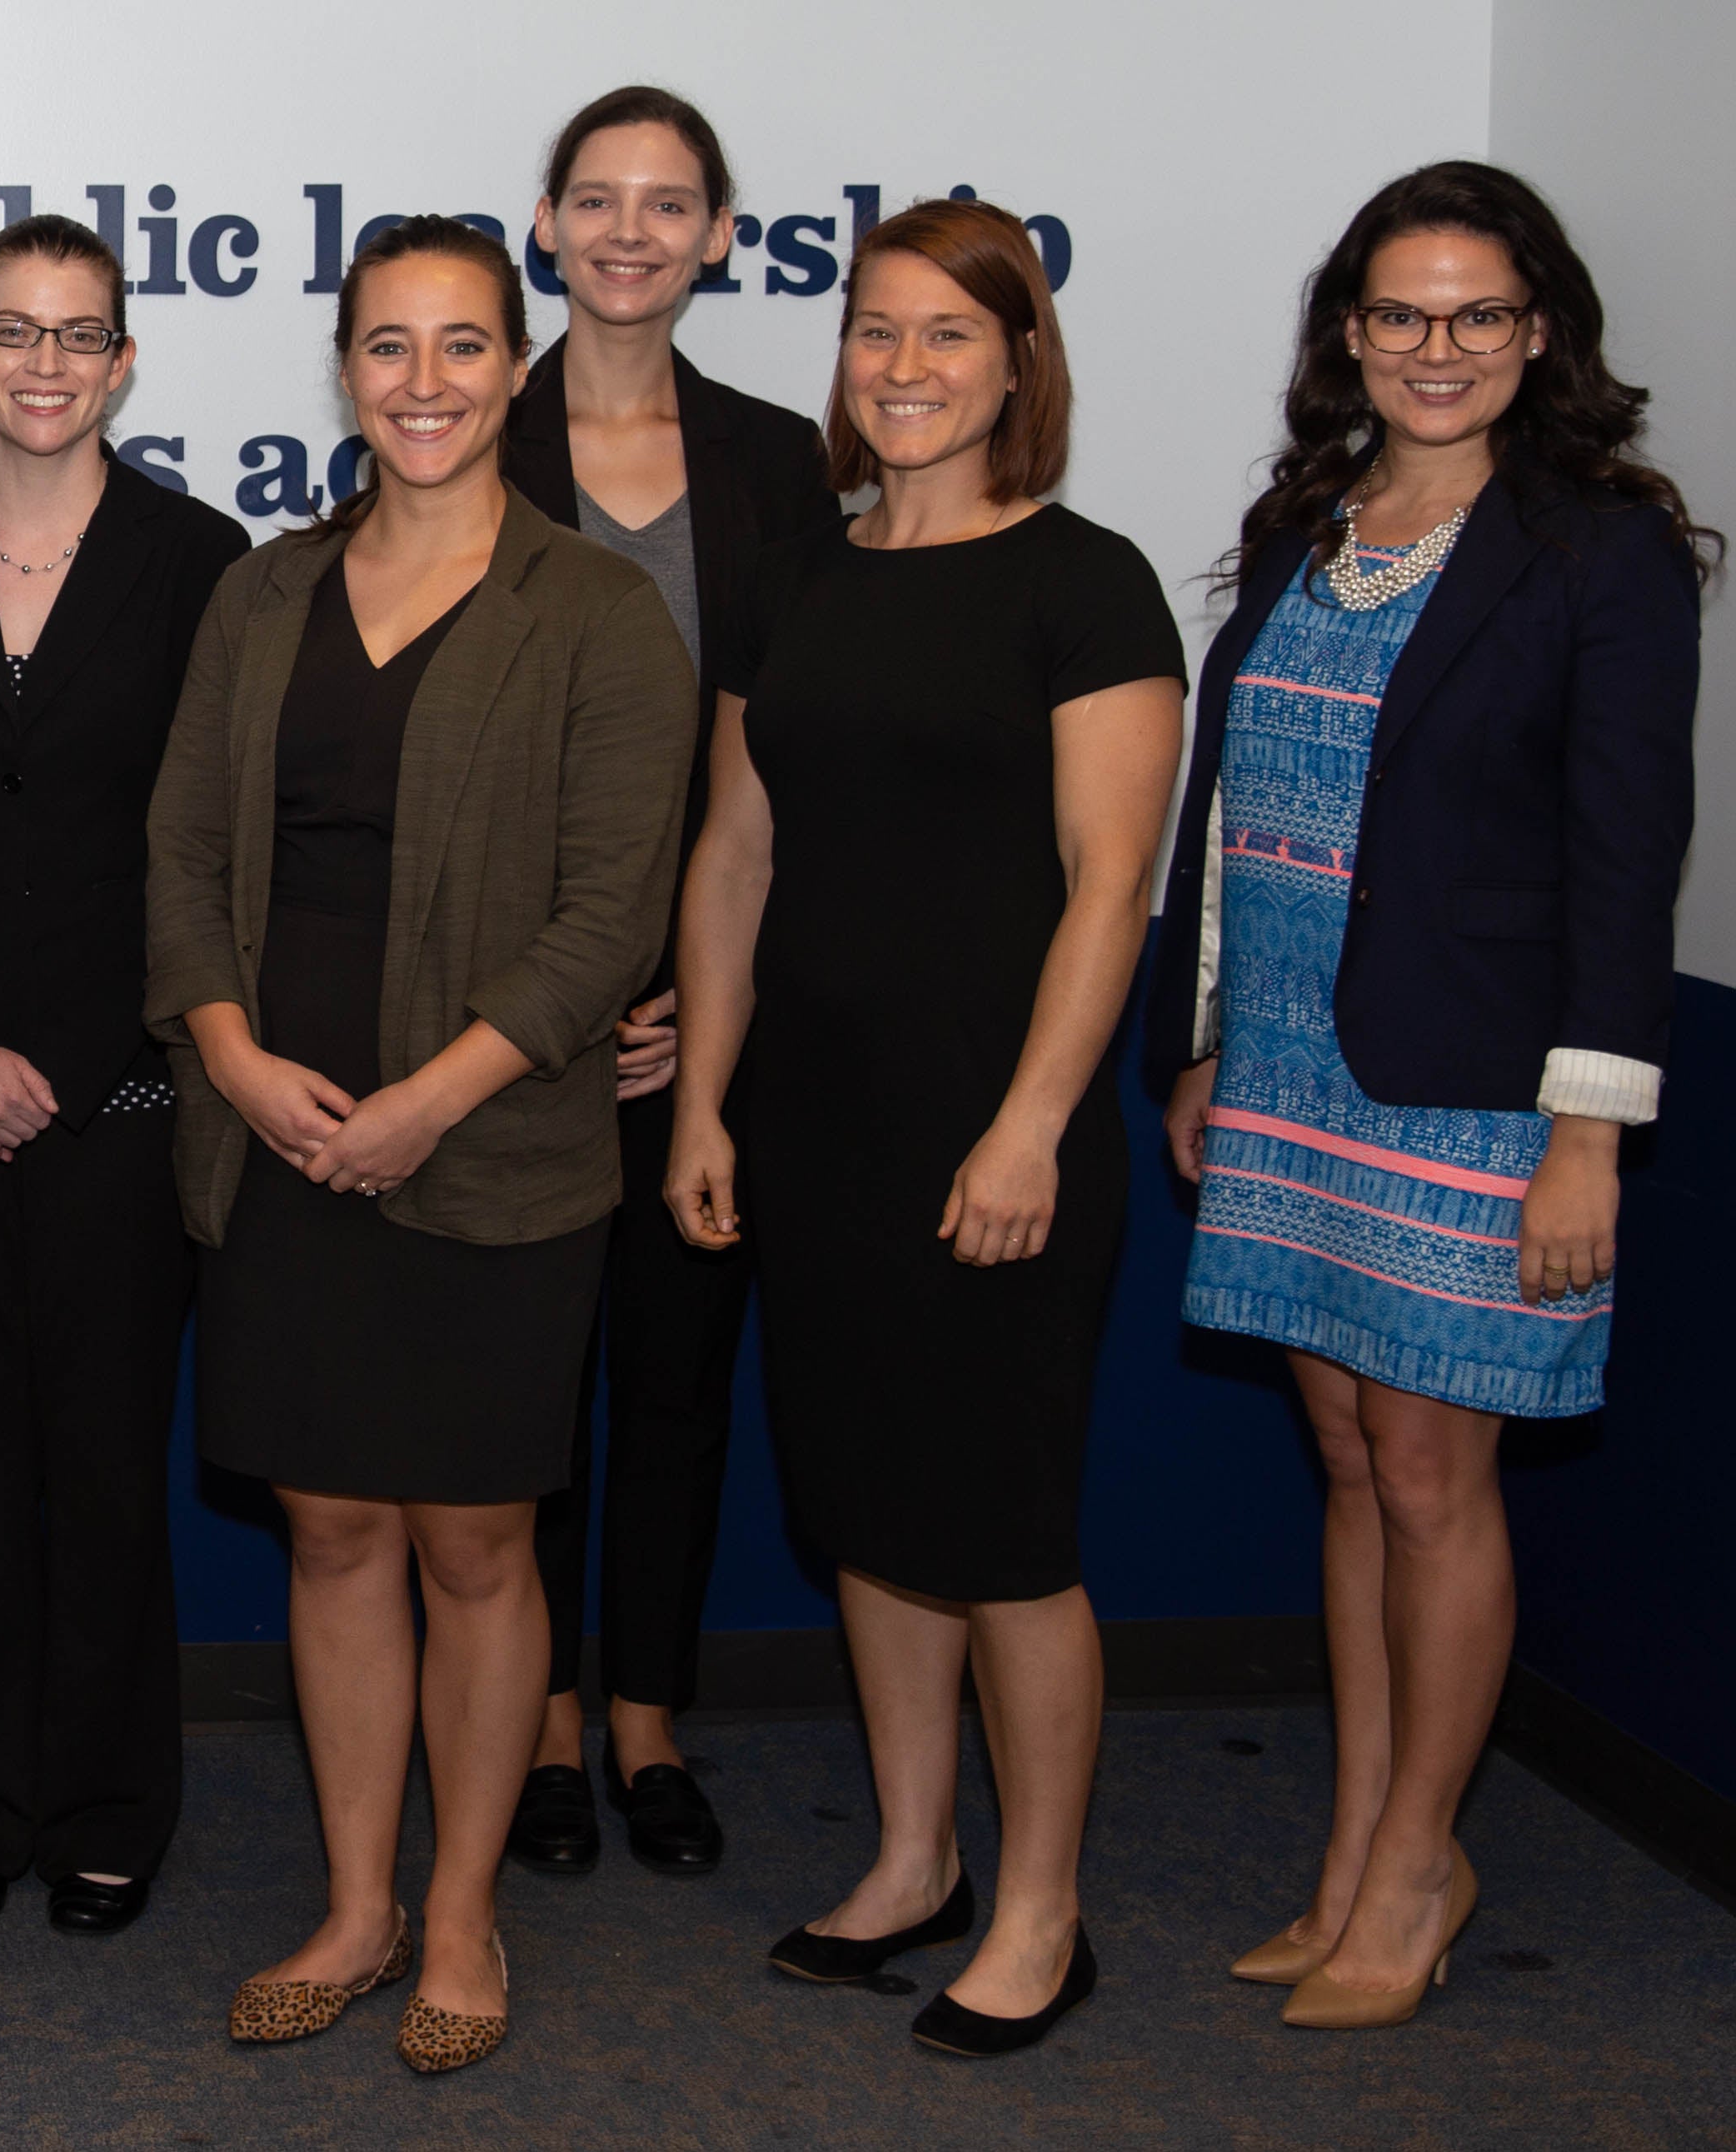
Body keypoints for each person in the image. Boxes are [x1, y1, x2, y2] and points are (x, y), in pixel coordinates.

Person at [1154, 162, 1706, 2030]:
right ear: (1349, 335)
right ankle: (1356, 1843)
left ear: (1538, 330)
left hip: (1475, 1092)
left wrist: (1582, 1136)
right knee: (1339, 1455)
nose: (1435, 349)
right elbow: (1234, 808)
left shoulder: (1599, 547)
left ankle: (1414, 1863)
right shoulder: (1310, 511)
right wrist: (1212, 1040)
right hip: (1295, 1062)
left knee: (1426, 1467)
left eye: (1475, 315)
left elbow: (1623, 859)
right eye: (1399, 314)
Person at [152, 217, 694, 2074]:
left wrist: (429, 1095)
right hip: (280, 1138)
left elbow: (615, 908)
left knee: (472, 1538)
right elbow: (183, 857)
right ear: (344, 371)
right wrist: (227, 1054)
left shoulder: (596, 608)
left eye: (463, 347)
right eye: (387, 347)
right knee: (327, 1527)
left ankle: (459, 1909)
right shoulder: (261, 594)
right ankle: (353, 1900)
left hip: (492, 1149)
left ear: (517, 370)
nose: (425, 383)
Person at [666, 199, 1183, 2059]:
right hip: (812, 1126)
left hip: (997, 1132)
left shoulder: (1084, 579)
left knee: (1002, 1531)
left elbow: (1109, 879)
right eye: (874, 332)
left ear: (1017, 363)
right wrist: (705, 1102)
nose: (901, 368)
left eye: (946, 337)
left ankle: (1040, 1900)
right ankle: (908, 1857)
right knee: (870, 1516)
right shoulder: (797, 572)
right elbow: (732, 854)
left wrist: (1033, 1121)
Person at [499, 84, 844, 1880]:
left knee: (679, 1374)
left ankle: (645, 1715)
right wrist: (559, 990)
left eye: (668, 204)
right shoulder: (456, 428)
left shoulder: (784, 462)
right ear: (541, 225)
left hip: (714, 1011)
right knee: (532, 1392)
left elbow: (779, 762)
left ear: (720, 236)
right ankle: (541, 1718)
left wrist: (695, 1005)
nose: (627, 232)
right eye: (595, 199)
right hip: (517, 1017)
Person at [0, 216, 247, 1940]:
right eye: (11, 332)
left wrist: (80, 1048)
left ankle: (107, 1801)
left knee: (105, 1465)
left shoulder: (200, 560)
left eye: (78, 335)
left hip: (121, 1100)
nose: (44, 364)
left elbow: (201, 843)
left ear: (119, 363)